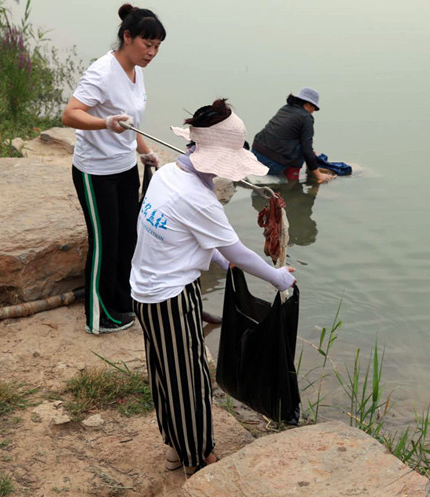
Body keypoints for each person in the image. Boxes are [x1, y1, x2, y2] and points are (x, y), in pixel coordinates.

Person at [130, 99, 296, 474]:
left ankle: (175, 449)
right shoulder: (198, 198)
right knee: (190, 381)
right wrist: (278, 277)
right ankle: (199, 460)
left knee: (165, 372)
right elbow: (238, 251)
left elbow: (192, 240)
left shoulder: (170, 174)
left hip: (148, 291)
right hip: (169, 298)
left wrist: (221, 261)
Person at [61, 5, 165, 334]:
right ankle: (98, 316)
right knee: (104, 242)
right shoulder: (102, 72)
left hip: (124, 168)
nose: (152, 52)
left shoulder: (136, 70)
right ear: (127, 36)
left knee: (127, 238)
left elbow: (130, 121)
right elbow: (70, 114)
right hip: (95, 172)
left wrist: (144, 152)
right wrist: (104, 123)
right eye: (147, 44)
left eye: (158, 46)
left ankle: (120, 301)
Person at [252, 87, 336, 183]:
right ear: (308, 104)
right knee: (302, 148)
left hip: (255, 155)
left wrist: (310, 152)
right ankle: (292, 179)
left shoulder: (285, 108)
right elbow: (306, 150)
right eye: (314, 108)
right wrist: (319, 175)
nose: (313, 111)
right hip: (270, 165)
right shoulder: (306, 117)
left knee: (303, 146)